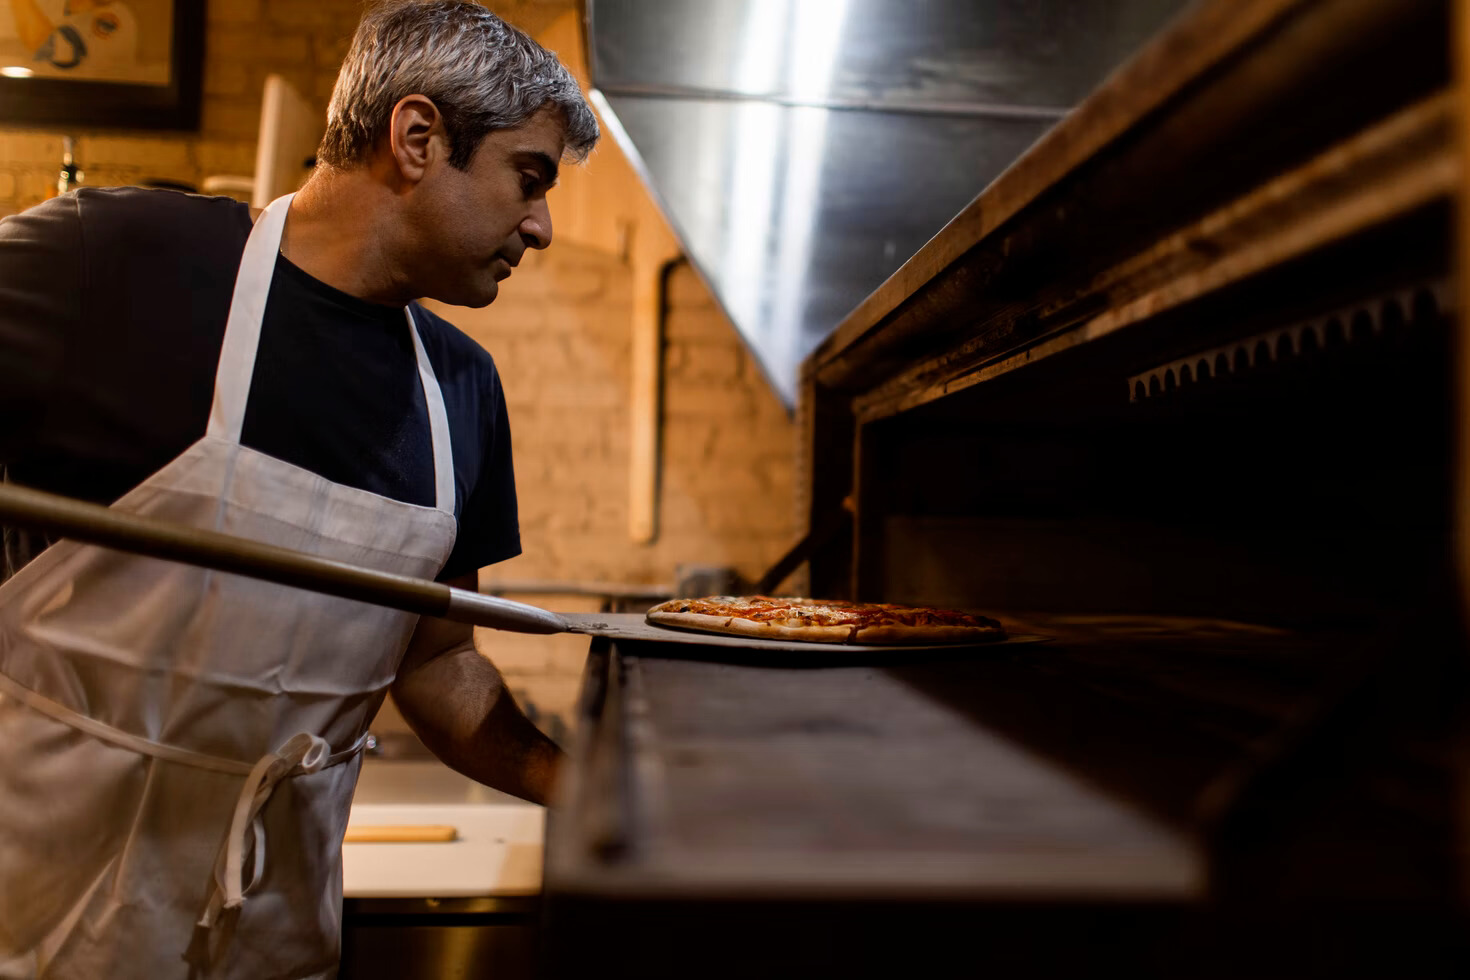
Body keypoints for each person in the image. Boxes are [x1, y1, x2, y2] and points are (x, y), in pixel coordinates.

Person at [0, 1, 598, 976]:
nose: (540, 226)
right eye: (528, 178)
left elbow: (438, 666)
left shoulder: (460, 391)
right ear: (418, 138)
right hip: (41, 918)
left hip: (274, 939)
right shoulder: (115, 264)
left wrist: (591, 787)